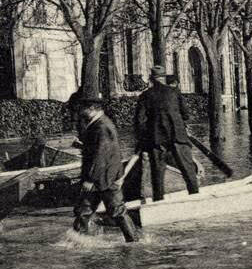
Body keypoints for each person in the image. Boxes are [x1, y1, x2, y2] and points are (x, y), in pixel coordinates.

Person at [72, 99, 138, 242]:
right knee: (86, 210)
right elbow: (99, 150)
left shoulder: (101, 126)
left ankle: (133, 241)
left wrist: (89, 179)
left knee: (114, 211)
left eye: (83, 109)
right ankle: (78, 241)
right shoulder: (101, 123)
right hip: (105, 175)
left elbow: (100, 155)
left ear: (92, 109)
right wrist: (82, 146)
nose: (80, 113)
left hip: (103, 177)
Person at [133, 64, 200, 201]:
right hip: (178, 136)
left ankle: (158, 201)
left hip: (156, 139)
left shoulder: (145, 96)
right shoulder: (175, 92)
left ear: (151, 79)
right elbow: (186, 114)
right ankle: (196, 198)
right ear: (163, 78)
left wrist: (143, 140)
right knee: (188, 170)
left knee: (157, 174)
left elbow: (139, 122)